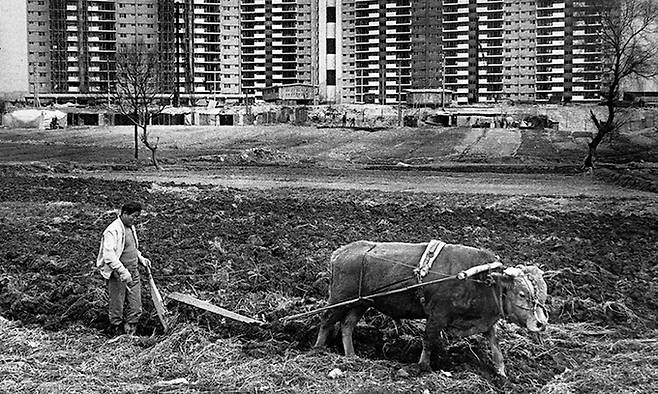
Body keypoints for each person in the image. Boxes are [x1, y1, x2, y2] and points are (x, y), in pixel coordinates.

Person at [96, 201, 151, 336]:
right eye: (134, 216)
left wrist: (141, 258)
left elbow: (131, 247)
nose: (135, 219)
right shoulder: (112, 230)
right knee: (117, 305)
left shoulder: (130, 227)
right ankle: (116, 331)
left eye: (137, 217)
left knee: (136, 305)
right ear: (125, 214)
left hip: (133, 271)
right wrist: (122, 271)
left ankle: (131, 331)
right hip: (118, 274)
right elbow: (108, 255)